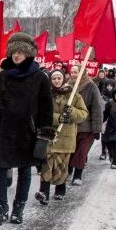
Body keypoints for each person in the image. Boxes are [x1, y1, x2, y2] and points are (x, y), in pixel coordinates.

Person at [0, 32, 54, 226]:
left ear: (29, 54)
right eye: (14, 51)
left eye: (21, 52)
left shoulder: (39, 77)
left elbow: (47, 109)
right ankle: (1, 209)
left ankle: (18, 209)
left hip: (27, 133)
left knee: (24, 171)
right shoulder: (3, 76)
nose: (16, 55)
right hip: (2, 132)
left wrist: (43, 136)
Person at [35, 69, 87, 204]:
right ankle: (44, 193)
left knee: (62, 166)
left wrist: (72, 112)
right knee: (47, 165)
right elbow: (41, 113)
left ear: (63, 79)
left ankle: (60, 190)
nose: (56, 81)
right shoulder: (46, 95)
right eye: (54, 79)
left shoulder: (74, 96)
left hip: (66, 138)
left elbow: (83, 114)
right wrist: (58, 118)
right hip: (50, 136)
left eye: (59, 78)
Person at [66, 63, 103, 188]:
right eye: (72, 72)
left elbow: (97, 109)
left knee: (81, 152)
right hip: (70, 125)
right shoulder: (67, 86)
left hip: (86, 127)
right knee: (71, 151)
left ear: (83, 73)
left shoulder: (91, 87)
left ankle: (78, 174)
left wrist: (97, 128)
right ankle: (69, 170)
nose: (73, 74)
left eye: (76, 72)